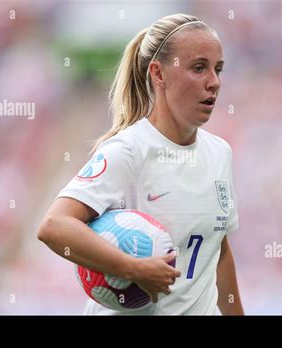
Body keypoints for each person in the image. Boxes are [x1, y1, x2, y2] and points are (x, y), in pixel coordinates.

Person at [38, 13, 244, 315]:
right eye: (199, 68)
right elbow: (54, 226)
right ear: (159, 74)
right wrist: (132, 268)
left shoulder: (220, 153)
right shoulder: (128, 150)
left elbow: (219, 252)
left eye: (218, 69)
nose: (214, 82)